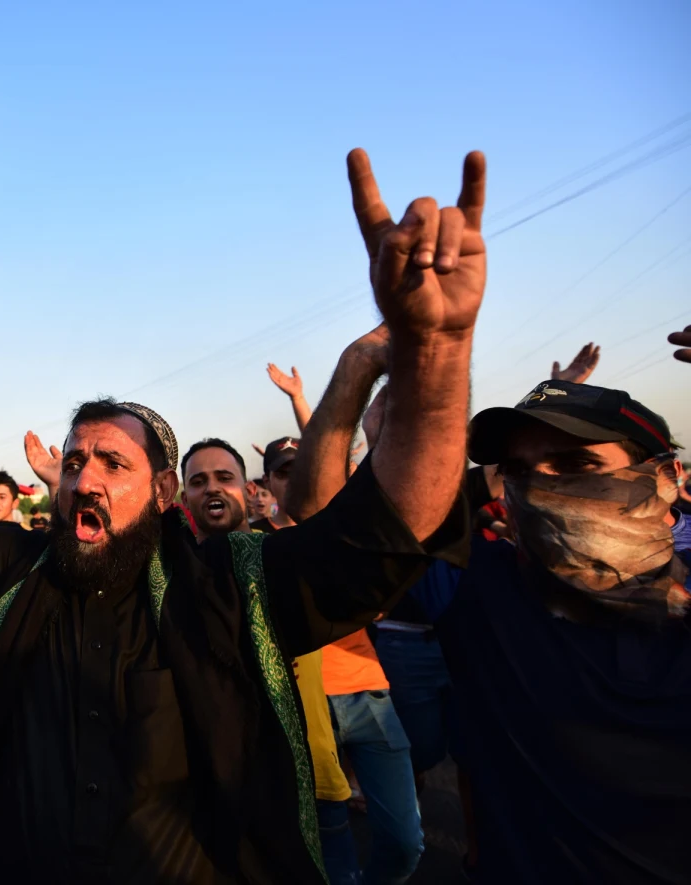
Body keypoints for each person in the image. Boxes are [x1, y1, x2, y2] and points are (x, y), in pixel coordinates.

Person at [0, 145, 486, 883]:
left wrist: (434, 347)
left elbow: (390, 532)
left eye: (114, 464)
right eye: (76, 461)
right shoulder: (21, 574)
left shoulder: (233, 588)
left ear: (164, 493)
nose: (84, 479)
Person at [398, 379, 691, 883]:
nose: (540, 486)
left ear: (665, 477)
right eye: (518, 471)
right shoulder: (480, 588)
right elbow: (351, 521)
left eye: (577, 465)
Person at [274, 330, 424, 885]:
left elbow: (329, 450)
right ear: (269, 484)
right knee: (326, 847)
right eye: (284, 473)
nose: (299, 478)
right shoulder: (254, 547)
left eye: (302, 467)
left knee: (406, 842)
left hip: (367, 692)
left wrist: (301, 399)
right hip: (298, 705)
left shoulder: (345, 535)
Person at [179, 438, 356, 884]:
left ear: (248, 489)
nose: (212, 489)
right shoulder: (173, 577)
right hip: (229, 790)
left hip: (314, 773)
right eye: (198, 482)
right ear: (183, 498)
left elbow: (337, 517)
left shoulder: (285, 555)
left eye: (224, 478)